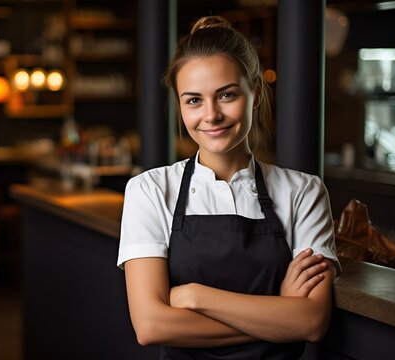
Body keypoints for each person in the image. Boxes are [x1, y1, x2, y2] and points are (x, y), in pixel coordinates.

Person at [117, 16, 340, 359]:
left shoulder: (305, 193)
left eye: (227, 95)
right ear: (179, 104)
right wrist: (278, 313)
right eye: (193, 100)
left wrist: (194, 296)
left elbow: (311, 322)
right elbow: (151, 326)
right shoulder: (149, 190)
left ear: (255, 92)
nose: (211, 115)